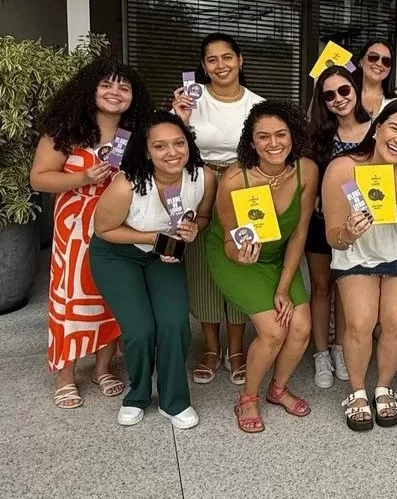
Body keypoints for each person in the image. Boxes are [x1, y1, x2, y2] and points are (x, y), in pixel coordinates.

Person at [31, 58, 151, 409]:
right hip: (76, 225)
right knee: (70, 296)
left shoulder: (136, 134)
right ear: (90, 89)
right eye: (107, 85)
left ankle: (103, 367)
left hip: (119, 223)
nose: (115, 92)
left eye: (124, 87)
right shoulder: (66, 131)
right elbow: (39, 177)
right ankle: (65, 375)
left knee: (111, 294)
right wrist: (82, 178)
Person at [321, 99, 397, 431]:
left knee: (395, 320)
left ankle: (384, 386)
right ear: (377, 128)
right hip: (356, 251)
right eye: (394, 127)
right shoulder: (342, 168)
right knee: (360, 323)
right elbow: (333, 237)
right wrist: (347, 232)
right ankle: (357, 390)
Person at [89, 112, 217, 428]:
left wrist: (193, 231)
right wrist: (153, 238)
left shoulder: (204, 177)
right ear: (147, 151)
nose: (172, 152)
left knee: (174, 323)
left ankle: (174, 402)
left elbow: (202, 218)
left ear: (189, 145)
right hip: (117, 255)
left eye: (178, 143)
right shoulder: (127, 184)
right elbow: (103, 229)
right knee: (140, 328)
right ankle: (138, 395)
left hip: (165, 255)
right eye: (160, 146)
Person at [206, 100, 317, 432]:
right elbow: (228, 240)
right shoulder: (234, 179)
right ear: (251, 142)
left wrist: (283, 287)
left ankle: (277, 388)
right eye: (263, 137)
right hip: (239, 259)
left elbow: (299, 232)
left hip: (279, 256)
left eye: (281, 134)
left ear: (292, 136)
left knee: (301, 327)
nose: (274, 143)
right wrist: (240, 255)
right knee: (273, 330)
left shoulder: (306, 170)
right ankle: (248, 396)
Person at [172, 32, 264, 388]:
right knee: (202, 266)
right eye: (212, 60)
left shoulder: (257, 104)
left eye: (227, 57)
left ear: (240, 61)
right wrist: (179, 116)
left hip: (244, 186)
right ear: (203, 66)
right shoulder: (191, 101)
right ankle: (211, 348)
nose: (221, 65)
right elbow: (170, 144)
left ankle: (237, 348)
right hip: (198, 184)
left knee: (241, 260)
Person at [305, 66, 372, 388]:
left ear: (355, 89)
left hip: (362, 224)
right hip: (321, 223)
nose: (338, 99)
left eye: (343, 90)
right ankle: (320, 354)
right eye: (328, 94)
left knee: (348, 289)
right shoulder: (318, 135)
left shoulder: (377, 129)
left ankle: (341, 348)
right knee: (321, 287)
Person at [352, 39, 397, 119]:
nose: (379, 64)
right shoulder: (345, 96)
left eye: (386, 61)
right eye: (373, 57)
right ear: (361, 61)